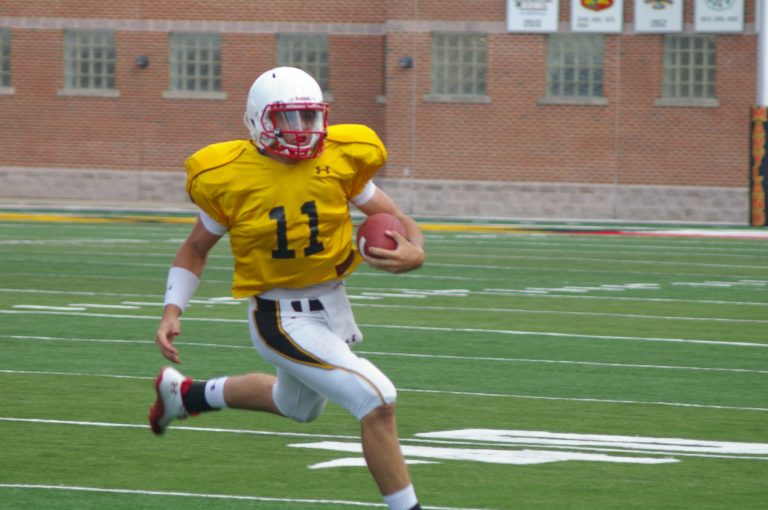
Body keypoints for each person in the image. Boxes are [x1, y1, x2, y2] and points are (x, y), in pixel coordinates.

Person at [148, 66, 426, 510]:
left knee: (296, 406)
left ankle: (186, 394)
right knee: (378, 400)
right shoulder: (231, 176)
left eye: (308, 117)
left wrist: (416, 250)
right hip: (279, 316)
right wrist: (171, 310)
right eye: (287, 119)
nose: (301, 131)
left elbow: (399, 219)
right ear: (259, 120)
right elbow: (195, 249)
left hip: (332, 307)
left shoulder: (338, 158)